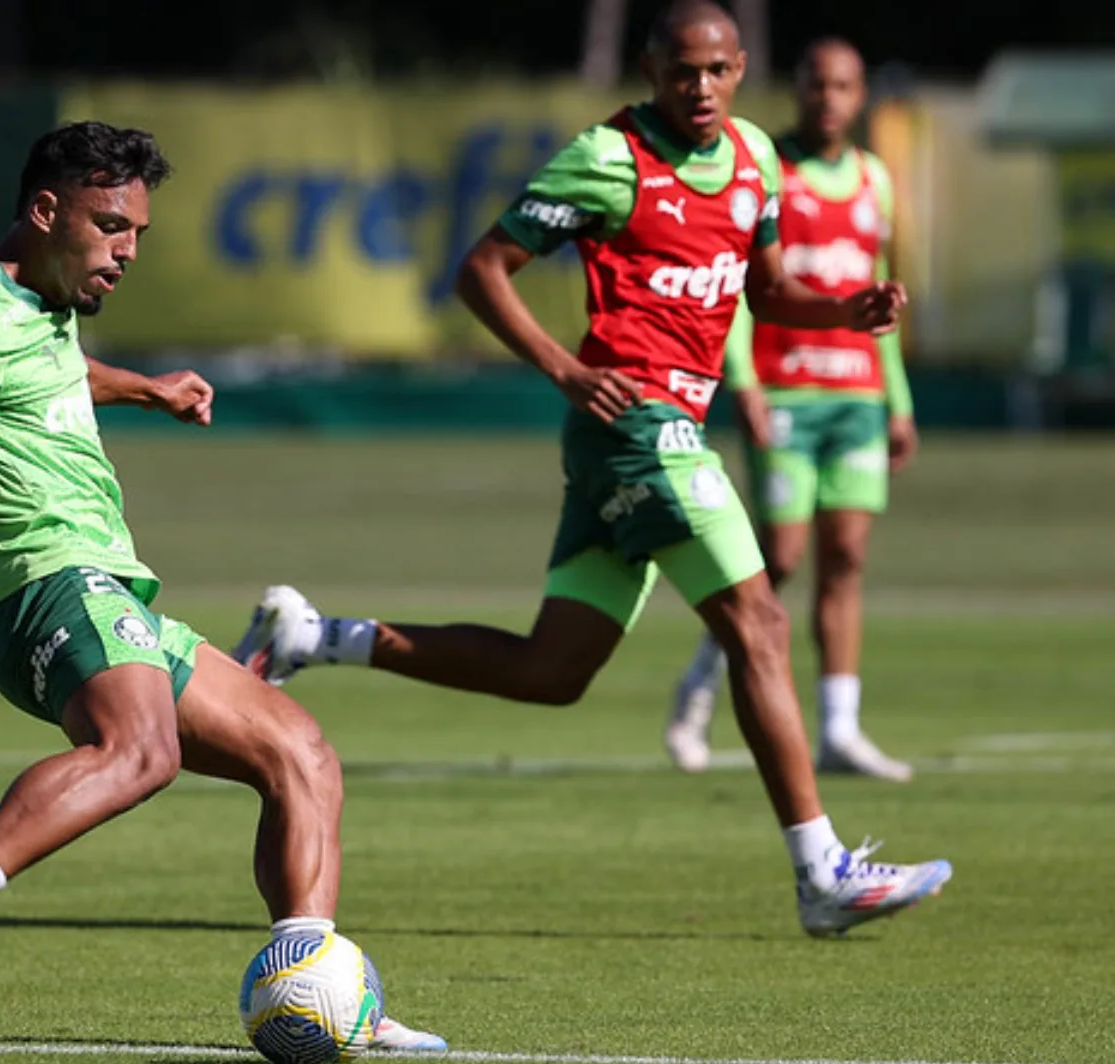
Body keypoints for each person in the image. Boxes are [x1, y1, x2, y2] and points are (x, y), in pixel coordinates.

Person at [0, 121, 445, 1048]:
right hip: (44, 584)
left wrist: (149, 389)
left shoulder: (43, 304)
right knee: (141, 752)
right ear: (46, 211)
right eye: (110, 227)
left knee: (299, 755)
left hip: (108, 589)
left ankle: (319, 983)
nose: (127, 250)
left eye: (137, 232)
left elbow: (54, 372)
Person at [232, 2, 950, 938]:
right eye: (682, 70)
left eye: (717, 70)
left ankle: (314, 637)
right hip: (635, 425)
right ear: (650, 70)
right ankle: (823, 872)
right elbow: (483, 270)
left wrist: (846, 310)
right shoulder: (609, 158)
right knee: (760, 620)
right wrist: (565, 370)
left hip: (656, 429)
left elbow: (768, 290)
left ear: (740, 71)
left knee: (552, 669)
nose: (700, 87)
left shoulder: (755, 161)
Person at [666, 37, 917, 782]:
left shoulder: (874, 180)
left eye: (842, 87)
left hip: (856, 395)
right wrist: (742, 380)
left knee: (846, 558)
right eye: (815, 85)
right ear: (797, 90)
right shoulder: (764, 168)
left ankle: (839, 728)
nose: (827, 99)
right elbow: (740, 284)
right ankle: (699, 687)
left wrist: (898, 399)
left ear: (860, 95)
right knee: (776, 560)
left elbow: (877, 293)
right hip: (784, 390)